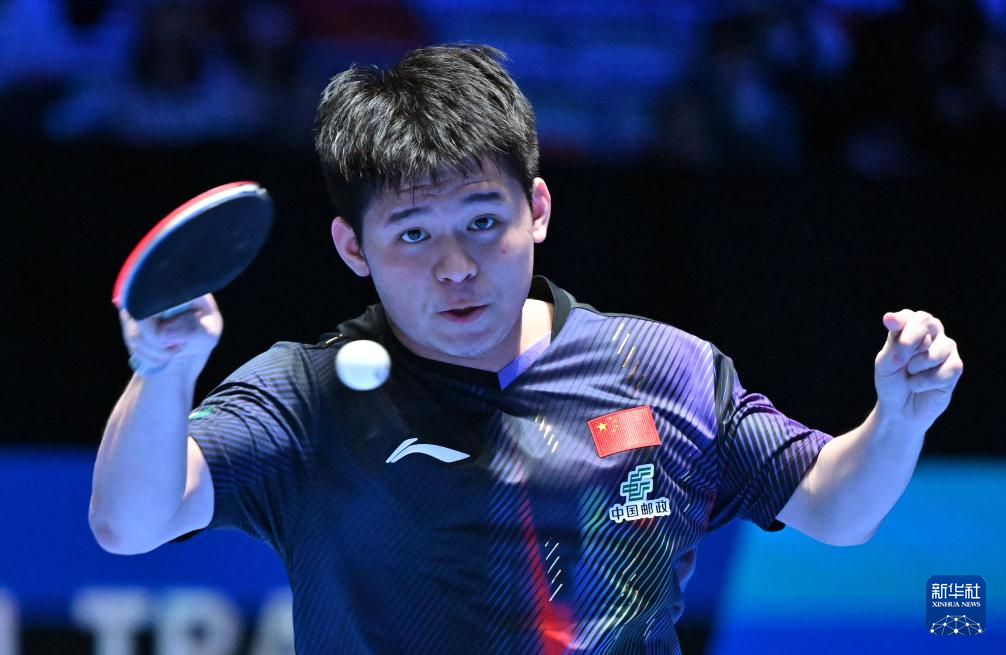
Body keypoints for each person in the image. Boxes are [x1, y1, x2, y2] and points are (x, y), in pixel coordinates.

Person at [89, 45, 963, 654]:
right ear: (353, 248)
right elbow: (131, 522)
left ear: (537, 209)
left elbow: (836, 508)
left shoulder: (662, 370)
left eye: (483, 221)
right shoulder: (305, 399)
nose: (456, 266)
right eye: (412, 233)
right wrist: (162, 375)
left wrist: (899, 417)